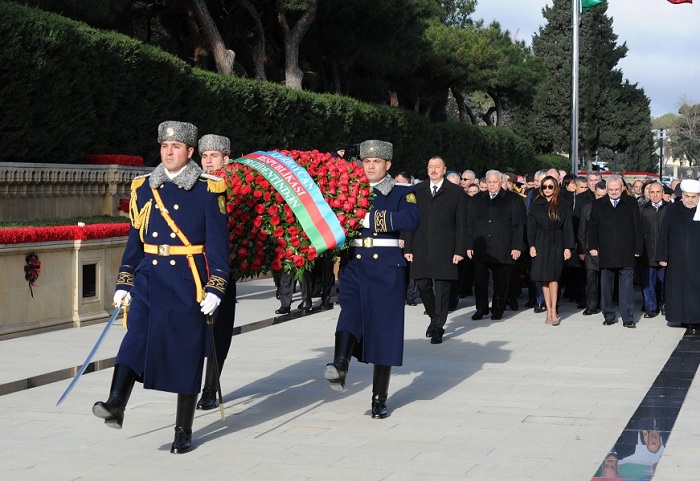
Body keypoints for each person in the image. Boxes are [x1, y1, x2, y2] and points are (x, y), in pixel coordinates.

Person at [93, 121, 230, 454]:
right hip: (149, 278)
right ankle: (116, 402)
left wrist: (216, 287)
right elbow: (135, 241)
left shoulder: (208, 188)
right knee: (136, 337)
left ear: (190, 152)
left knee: (186, 352)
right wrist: (125, 280)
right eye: (164, 147)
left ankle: (183, 429)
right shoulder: (143, 187)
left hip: (187, 280)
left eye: (176, 148)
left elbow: (217, 246)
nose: (169, 152)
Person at [323, 140, 419, 419]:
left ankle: (379, 398)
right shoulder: (350, 190)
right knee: (350, 312)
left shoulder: (402, 191)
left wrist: (371, 219)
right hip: (355, 264)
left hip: (386, 267)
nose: (371, 166)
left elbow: (411, 219)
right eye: (366, 161)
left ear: (388, 165)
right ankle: (340, 365)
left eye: (376, 162)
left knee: (383, 332)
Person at [196, 134, 238, 411]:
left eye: (214, 156)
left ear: (226, 158)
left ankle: (210, 388)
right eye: (205, 156)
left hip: (221, 272)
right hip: (192, 269)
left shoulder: (236, 186)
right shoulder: (192, 185)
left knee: (218, 332)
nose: (208, 161)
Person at [404, 156, 466, 344]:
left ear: (444, 169)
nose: (433, 170)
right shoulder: (416, 191)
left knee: (442, 287)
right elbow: (409, 220)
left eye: (437, 167)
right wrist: (408, 246)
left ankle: (438, 326)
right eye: (430, 166)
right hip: (421, 246)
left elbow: (461, 224)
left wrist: (459, 250)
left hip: (445, 246)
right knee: (422, 284)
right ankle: (433, 316)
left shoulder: (455, 192)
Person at [467, 170, 525, 321]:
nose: (492, 185)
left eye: (495, 182)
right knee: (480, 281)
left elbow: (518, 225)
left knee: (501, 281)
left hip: (503, 246)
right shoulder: (477, 199)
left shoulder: (513, 199)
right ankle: (481, 308)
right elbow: (470, 224)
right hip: (481, 247)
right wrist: (469, 245)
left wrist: (517, 247)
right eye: (489, 182)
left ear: (501, 183)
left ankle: (498, 308)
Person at [588, 174, 643, 328]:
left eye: (616, 189)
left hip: (626, 250)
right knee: (606, 287)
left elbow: (637, 227)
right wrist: (592, 247)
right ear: (606, 189)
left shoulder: (631, 203)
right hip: (606, 251)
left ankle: (628, 318)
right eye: (610, 189)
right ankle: (609, 316)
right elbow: (592, 228)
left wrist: (638, 248)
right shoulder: (598, 204)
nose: (613, 192)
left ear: (622, 188)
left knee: (626, 288)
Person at [527, 176, 574, 325]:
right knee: (543, 278)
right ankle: (548, 310)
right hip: (540, 241)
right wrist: (531, 245)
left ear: (555, 188)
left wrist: (568, 247)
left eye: (550, 187)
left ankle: (554, 311)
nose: (547, 189)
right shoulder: (535, 204)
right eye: (544, 187)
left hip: (556, 241)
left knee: (554, 277)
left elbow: (568, 227)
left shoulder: (563, 204)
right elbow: (531, 227)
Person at [657, 179, 700, 334]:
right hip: (677, 258)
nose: (690, 200)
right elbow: (664, 234)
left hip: (697, 260)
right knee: (679, 289)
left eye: (693, 197)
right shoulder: (673, 209)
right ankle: (682, 318)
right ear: (682, 195)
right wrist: (662, 255)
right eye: (687, 196)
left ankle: (696, 319)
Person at [639, 182, 668, 319]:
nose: (655, 195)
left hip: (665, 253)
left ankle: (665, 305)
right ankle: (651, 308)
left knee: (665, 282)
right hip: (648, 252)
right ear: (648, 194)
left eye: (658, 192)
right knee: (648, 283)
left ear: (662, 193)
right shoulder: (642, 209)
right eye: (652, 192)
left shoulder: (670, 209)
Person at [577, 180, 607, 316]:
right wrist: (582, 250)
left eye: (603, 196)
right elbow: (582, 231)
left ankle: (604, 305)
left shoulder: (611, 209)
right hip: (590, 250)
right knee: (590, 280)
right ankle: (591, 306)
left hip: (606, 250)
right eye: (598, 195)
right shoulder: (587, 208)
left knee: (605, 280)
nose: (600, 198)